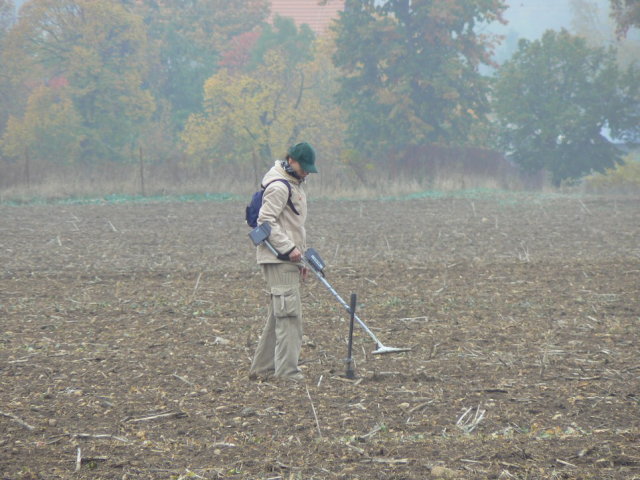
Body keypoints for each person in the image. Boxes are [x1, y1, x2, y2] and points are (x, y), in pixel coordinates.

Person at [249, 142, 318, 382]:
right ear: (291, 160)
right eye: (304, 167)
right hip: (278, 258)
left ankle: (263, 368)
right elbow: (265, 221)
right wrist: (289, 250)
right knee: (289, 317)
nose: (307, 172)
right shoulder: (280, 187)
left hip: (285, 259)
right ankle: (287, 372)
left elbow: (292, 226)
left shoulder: (293, 184)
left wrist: (299, 261)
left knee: (278, 314)